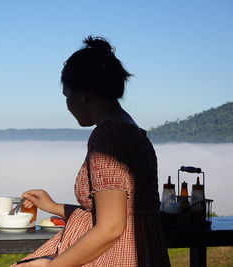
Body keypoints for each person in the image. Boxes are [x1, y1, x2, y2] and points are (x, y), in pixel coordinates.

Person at [14, 36, 171, 266]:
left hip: (113, 258)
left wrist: (50, 265)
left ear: (84, 93)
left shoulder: (108, 138)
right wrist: (54, 207)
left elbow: (111, 228)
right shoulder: (132, 131)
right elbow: (118, 212)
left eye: (67, 96)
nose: (68, 104)